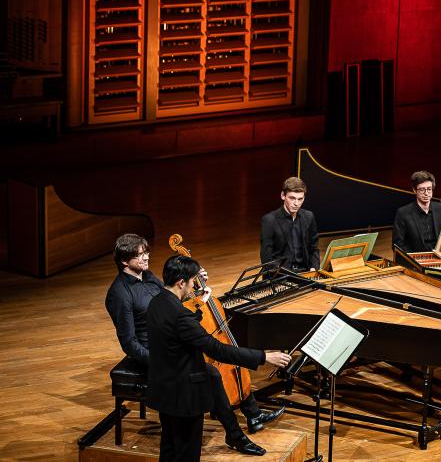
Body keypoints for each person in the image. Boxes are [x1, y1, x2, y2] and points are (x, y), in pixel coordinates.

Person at [104, 234, 285, 455]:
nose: (146, 257)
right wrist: (161, 360)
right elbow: (129, 342)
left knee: (210, 370)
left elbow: (174, 300)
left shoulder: (149, 278)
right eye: (140, 254)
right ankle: (238, 430)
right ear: (124, 261)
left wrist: (197, 292)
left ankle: (241, 424)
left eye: (146, 252)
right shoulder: (120, 294)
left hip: (172, 344)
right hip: (153, 355)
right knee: (210, 370)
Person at [147, 254, 292, 461]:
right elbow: (218, 350)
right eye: (190, 282)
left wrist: (199, 306)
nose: (191, 287)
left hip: (165, 391)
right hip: (185, 397)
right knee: (187, 453)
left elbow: (178, 328)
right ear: (181, 282)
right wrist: (264, 356)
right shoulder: (180, 317)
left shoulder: (157, 302)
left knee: (169, 449)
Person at [260, 177, 320, 271]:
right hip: (280, 274)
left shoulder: (309, 217)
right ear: (283, 196)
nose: (296, 203)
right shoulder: (269, 220)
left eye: (300, 199)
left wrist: (314, 268)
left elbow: (314, 248)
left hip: (304, 272)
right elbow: (266, 258)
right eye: (292, 198)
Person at [392, 171, 441, 253]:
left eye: (429, 189)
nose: (426, 193)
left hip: (439, 255)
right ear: (414, 190)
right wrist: (415, 258)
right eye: (422, 190)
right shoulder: (402, 213)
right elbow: (397, 244)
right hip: (416, 259)